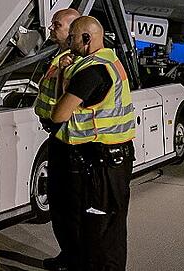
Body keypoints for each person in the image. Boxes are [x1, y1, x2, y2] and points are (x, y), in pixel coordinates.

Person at [51, 16, 136, 271]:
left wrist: (63, 76)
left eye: (73, 37)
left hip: (102, 164)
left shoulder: (90, 71)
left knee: (98, 233)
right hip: (116, 159)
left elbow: (59, 114)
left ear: (86, 39)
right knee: (111, 229)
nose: (70, 41)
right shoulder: (110, 61)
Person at [32, 8, 80, 271]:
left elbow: (68, 99)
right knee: (59, 203)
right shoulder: (60, 56)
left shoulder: (73, 61)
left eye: (57, 24)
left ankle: (75, 259)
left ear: (73, 29)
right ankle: (67, 255)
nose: (51, 28)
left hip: (70, 139)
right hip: (57, 136)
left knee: (71, 206)